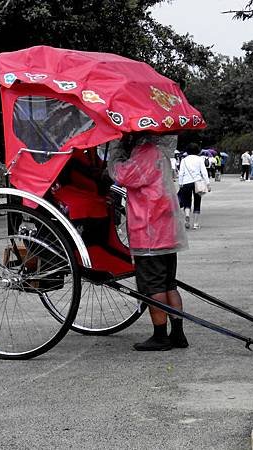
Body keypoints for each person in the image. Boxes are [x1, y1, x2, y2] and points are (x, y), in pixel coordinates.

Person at [108, 132, 189, 351]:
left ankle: (160, 335)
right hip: (165, 232)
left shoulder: (144, 153)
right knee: (168, 283)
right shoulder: (159, 152)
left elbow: (123, 176)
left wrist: (116, 152)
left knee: (153, 286)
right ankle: (178, 333)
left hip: (149, 232)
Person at [178, 143, 211, 230]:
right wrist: (208, 184)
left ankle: (187, 216)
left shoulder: (184, 160)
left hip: (186, 182)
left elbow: (181, 173)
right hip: (197, 182)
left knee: (186, 201)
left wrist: (180, 183)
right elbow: (204, 172)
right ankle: (195, 224)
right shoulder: (199, 159)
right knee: (197, 202)